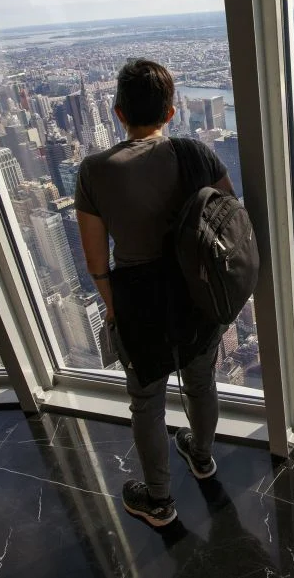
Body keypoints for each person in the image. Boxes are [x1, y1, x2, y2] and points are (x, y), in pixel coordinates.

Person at [74, 59, 234, 527]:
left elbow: (95, 261)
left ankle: (159, 501)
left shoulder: (94, 170)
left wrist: (112, 307)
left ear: (119, 113)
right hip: (198, 296)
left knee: (146, 403)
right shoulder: (197, 154)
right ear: (170, 112)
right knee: (201, 383)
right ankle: (201, 457)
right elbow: (230, 218)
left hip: (140, 304)